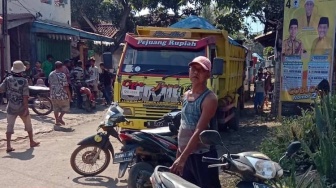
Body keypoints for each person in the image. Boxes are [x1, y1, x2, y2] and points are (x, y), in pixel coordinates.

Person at [170, 56, 220, 188]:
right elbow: (184, 124)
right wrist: (179, 154)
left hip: (203, 156)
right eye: (193, 69)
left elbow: (199, 130)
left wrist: (183, 158)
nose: (196, 72)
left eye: (201, 70)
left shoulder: (210, 99)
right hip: (187, 153)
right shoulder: (187, 95)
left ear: (208, 75)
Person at [0, 60, 40, 152]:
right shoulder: (24, 81)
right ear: (22, 71)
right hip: (22, 107)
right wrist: (26, 109)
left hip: (11, 107)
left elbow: (1, 89)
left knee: (9, 126)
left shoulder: (8, 79)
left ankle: (8, 146)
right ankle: (31, 141)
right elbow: (25, 96)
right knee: (28, 125)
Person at [49, 61, 71, 126]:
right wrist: (69, 95)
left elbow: (50, 84)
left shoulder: (51, 74)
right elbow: (66, 86)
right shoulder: (62, 75)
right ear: (61, 67)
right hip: (62, 95)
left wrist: (51, 93)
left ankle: (57, 121)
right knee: (66, 107)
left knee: (56, 108)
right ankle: (60, 117)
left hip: (53, 94)